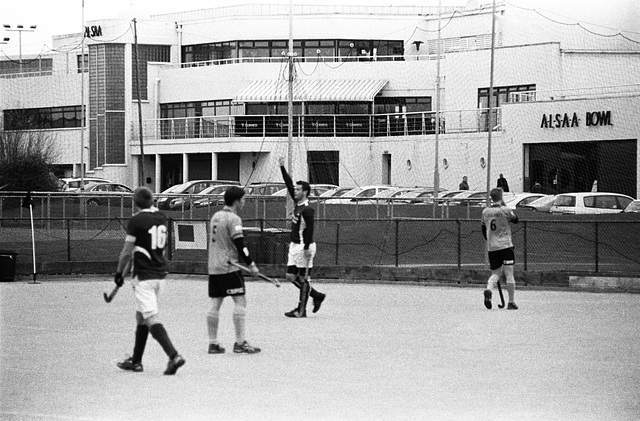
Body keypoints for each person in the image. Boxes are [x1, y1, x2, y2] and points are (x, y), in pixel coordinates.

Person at [115, 187, 185, 375]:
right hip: (160, 275)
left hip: (144, 276)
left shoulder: (136, 221)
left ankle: (173, 356)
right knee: (141, 316)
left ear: (135, 203)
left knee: (150, 317)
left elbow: (127, 251)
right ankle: (136, 361)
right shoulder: (161, 217)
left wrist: (119, 273)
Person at [206, 186, 262, 354]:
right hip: (229, 266)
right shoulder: (234, 219)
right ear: (237, 201)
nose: (244, 202)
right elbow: (240, 245)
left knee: (216, 302)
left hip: (214, 266)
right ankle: (240, 342)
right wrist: (251, 264)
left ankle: (213, 343)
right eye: (243, 199)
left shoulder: (216, 216)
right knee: (240, 301)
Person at [279, 156, 326, 318]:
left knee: (303, 278)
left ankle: (301, 310)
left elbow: (310, 230)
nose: (295, 191)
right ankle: (317, 296)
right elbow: (288, 183)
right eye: (295, 189)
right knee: (290, 276)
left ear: (305, 192)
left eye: (298, 189)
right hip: (294, 246)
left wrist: (306, 248)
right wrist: (282, 167)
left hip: (303, 246)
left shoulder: (307, 210)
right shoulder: (297, 204)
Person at [481, 188, 519, 310]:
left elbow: (483, 229)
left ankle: (488, 289)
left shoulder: (485, 212)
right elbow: (516, 220)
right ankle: (511, 302)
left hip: (492, 247)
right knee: (509, 274)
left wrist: (490, 241)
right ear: (501, 197)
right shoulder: (505, 210)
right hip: (505, 245)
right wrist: (505, 206)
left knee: (496, 273)